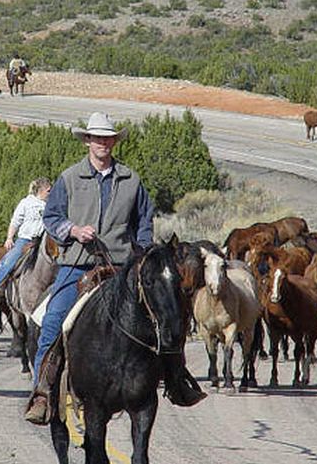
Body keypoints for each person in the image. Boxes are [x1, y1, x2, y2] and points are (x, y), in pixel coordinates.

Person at [24, 112, 205, 425]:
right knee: (53, 322)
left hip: (122, 267)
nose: (102, 143)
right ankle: (43, 393)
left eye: (107, 138)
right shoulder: (69, 178)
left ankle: (177, 380)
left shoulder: (130, 179)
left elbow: (144, 220)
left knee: (166, 315)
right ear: (88, 142)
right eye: (97, 138)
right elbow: (51, 218)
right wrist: (74, 230)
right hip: (77, 265)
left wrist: (142, 253)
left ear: (113, 142)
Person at [0, 177, 52, 306]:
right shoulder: (26, 203)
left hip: (44, 241)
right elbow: (15, 221)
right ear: (40, 190)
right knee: (8, 261)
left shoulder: (50, 205)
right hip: (26, 240)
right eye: (49, 190)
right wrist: (10, 238)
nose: (51, 193)